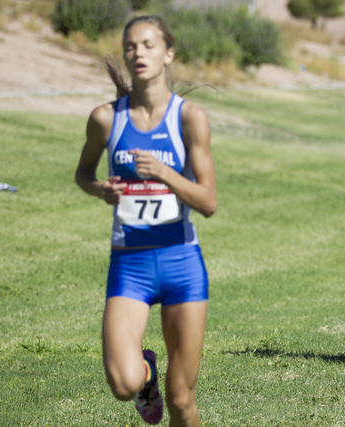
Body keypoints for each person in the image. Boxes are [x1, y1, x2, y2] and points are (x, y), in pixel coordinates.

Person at [75, 15, 217, 426]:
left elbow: (208, 202)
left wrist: (166, 174)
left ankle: (164, 389)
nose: (139, 52)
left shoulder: (190, 118)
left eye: (149, 44)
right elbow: (82, 173)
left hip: (181, 264)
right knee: (123, 383)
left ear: (168, 53)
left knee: (181, 401)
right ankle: (147, 375)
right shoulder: (106, 118)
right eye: (131, 46)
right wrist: (100, 189)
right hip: (130, 265)